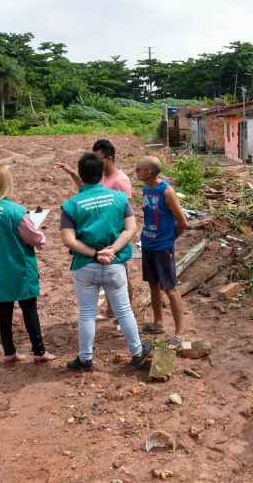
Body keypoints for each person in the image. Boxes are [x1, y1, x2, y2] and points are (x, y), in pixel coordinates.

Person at [60, 153, 152, 372]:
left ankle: (85, 360)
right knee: (124, 311)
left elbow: (68, 240)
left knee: (86, 313)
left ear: (80, 175)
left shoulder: (70, 205)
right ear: (102, 173)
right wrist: (113, 249)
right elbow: (130, 228)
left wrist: (94, 254)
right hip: (115, 264)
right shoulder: (119, 199)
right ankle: (137, 353)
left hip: (85, 266)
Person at [0, 164, 55, 366]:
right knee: (29, 307)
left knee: (4, 306)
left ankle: (9, 352)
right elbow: (34, 238)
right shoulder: (16, 211)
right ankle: (39, 351)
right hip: (18, 266)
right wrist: (40, 234)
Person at [56, 139, 135, 318]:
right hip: (101, 242)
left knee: (122, 277)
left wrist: (114, 246)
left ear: (108, 159)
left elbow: (123, 213)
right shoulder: (103, 178)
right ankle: (110, 311)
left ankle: (124, 314)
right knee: (112, 278)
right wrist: (72, 174)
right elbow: (89, 192)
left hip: (114, 240)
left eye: (98, 158)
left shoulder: (120, 181)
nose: (96, 162)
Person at [136, 155, 188, 351]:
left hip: (162, 247)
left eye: (138, 169)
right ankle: (158, 323)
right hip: (148, 244)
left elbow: (183, 223)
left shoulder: (166, 191)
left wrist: (168, 241)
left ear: (149, 172)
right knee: (153, 284)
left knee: (171, 289)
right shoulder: (145, 188)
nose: (136, 172)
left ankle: (179, 333)